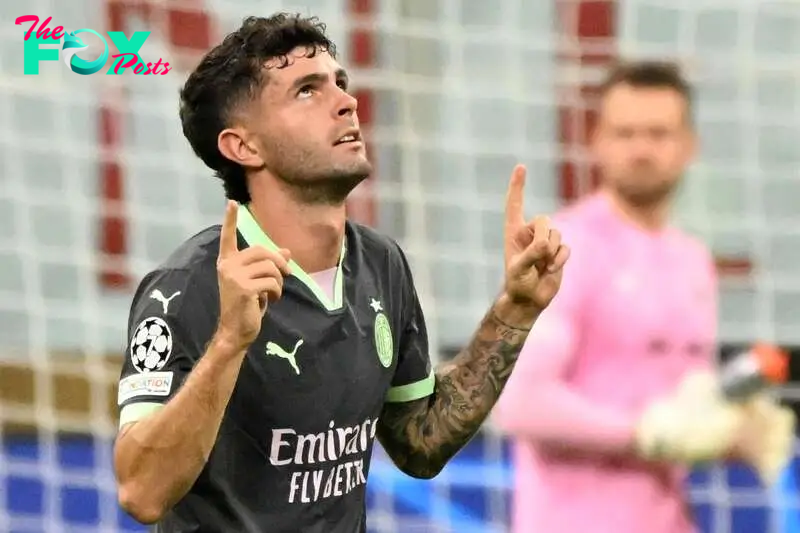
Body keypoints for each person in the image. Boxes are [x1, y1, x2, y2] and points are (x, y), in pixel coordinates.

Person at [112, 13, 570, 533]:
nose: (345, 102)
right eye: (307, 91)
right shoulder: (190, 285)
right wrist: (228, 344)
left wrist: (516, 309)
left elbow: (420, 442)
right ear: (244, 146)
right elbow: (140, 491)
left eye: (340, 82)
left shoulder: (381, 264)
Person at [493, 61, 795, 533]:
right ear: (596, 141)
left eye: (658, 133)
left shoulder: (692, 262)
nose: (640, 149)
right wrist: (645, 434)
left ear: (689, 146)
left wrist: (734, 430)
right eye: (624, 133)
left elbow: (678, 413)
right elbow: (521, 402)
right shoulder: (564, 248)